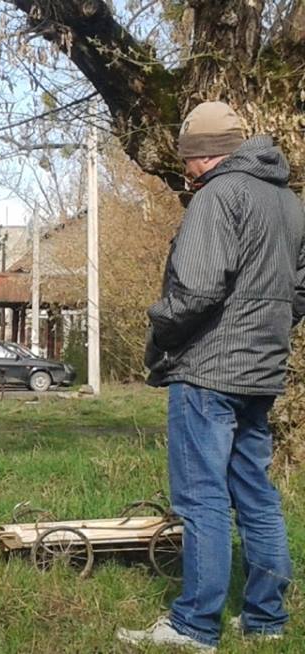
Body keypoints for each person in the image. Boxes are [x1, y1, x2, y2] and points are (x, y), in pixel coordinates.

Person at [118, 101, 305, 651]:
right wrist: (267, 331)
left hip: (207, 371)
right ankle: (266, 619)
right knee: (256, 492)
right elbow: (299, 291)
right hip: (262, 370)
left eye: (188, 159)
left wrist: (161, 335)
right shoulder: (290, 204)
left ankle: (195, 625)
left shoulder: (217, 197)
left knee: (201, 497)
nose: (187, 170)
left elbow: (194, 291)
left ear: (202, 155)